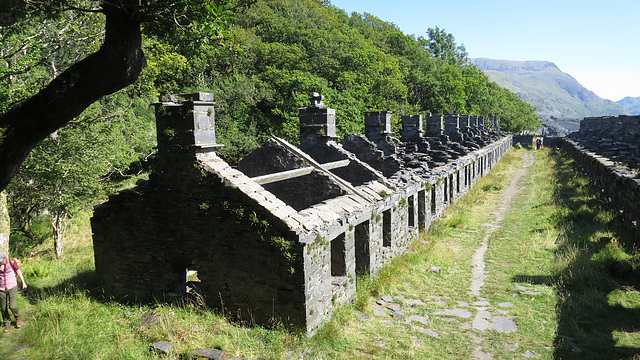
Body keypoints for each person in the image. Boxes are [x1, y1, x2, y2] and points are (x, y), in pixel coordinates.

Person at [0, 252, 27, 333]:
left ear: (5, 258)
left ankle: (18, 318)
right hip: (1, 288)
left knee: (12, 306)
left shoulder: (11, 262)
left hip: (12, 286)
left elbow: (18, 271)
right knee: (3, 308)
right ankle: (6, 323)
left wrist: (23, 282)